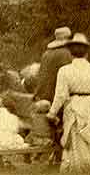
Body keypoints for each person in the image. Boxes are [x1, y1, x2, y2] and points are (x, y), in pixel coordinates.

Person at [47, 33, 90, 171]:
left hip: (75, 108)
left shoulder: (65, 71)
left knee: (76, 145)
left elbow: (60, 95)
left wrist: (52, 113)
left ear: (71, 52)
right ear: (87, 52)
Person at [38, 26, 74, 164]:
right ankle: (62, 155)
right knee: (65, 124)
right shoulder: (67, 53)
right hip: (62, 94)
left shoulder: (46, 54)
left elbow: (41, 76)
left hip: (47, 94)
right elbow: (70, 76)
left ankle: (55, 155)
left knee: (53, 125)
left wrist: (39, 94)